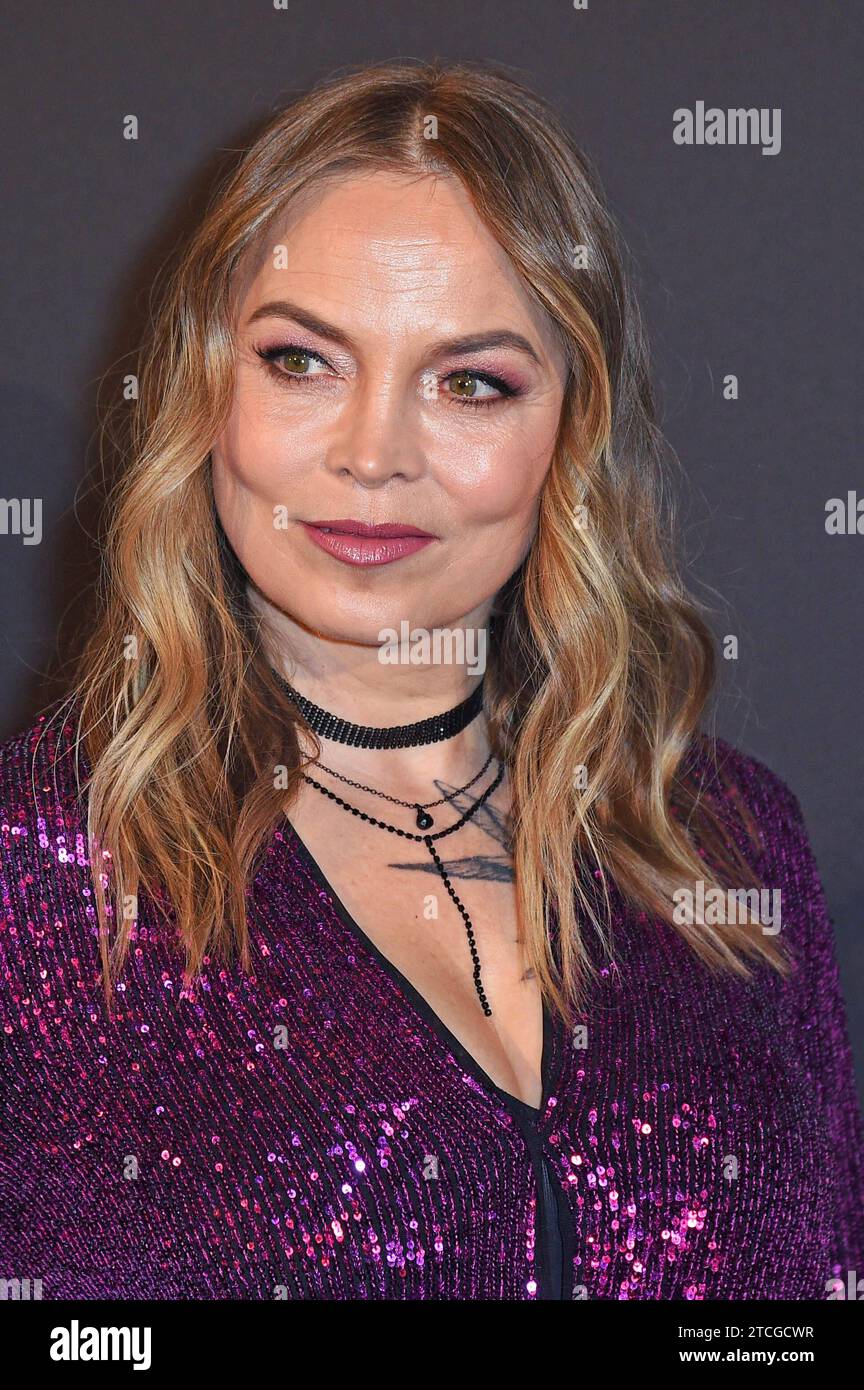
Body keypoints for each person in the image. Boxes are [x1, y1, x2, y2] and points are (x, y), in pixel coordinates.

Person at [1, 59, 861, 1301]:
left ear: (571, 429)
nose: (372, 456)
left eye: (471, 383)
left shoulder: (728, 845)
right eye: (303, 361)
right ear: (205, 387)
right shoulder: (37, 879)